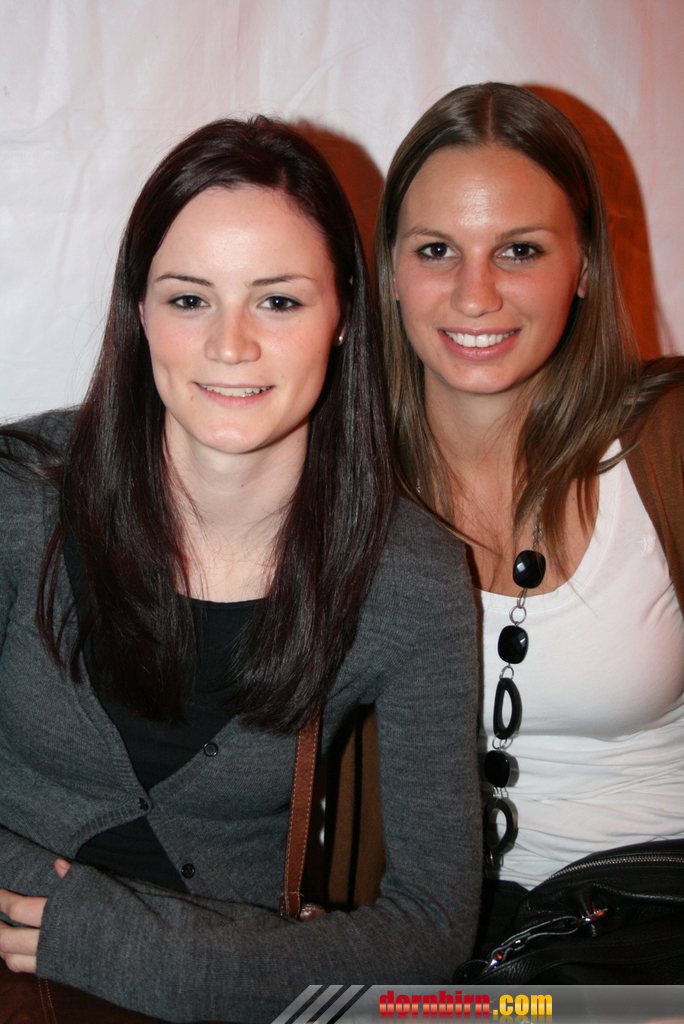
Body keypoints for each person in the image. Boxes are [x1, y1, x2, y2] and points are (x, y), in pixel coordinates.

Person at [0, 117, 481, 1021]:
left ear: (344, 315)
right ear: (138, 311)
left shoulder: (410, 579)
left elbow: (434, 921)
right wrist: (55, 911)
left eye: (279, 301)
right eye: (189, 299)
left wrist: (159, 956)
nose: (230, 345)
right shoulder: (19, 495)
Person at [375, 82, 684, 954]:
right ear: (391, 269)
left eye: (518, 250)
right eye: (437, 249)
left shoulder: (668, 443)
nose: (475, 295)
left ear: (584, 266)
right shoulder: (335, 484)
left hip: (648, 932)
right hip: (435, 952)